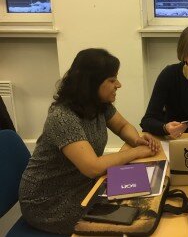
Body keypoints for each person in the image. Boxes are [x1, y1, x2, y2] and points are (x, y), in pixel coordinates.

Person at [19, 48, 160, 235]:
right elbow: (92, 167)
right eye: (111, 80)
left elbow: (122, 126)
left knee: (147, 197)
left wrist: (136, 140)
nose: (118, 84)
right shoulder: (62, 117)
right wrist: (136, 152)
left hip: (83, 186)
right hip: (48, 203)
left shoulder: (99, 105)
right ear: (91, 84)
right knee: (136, 218)